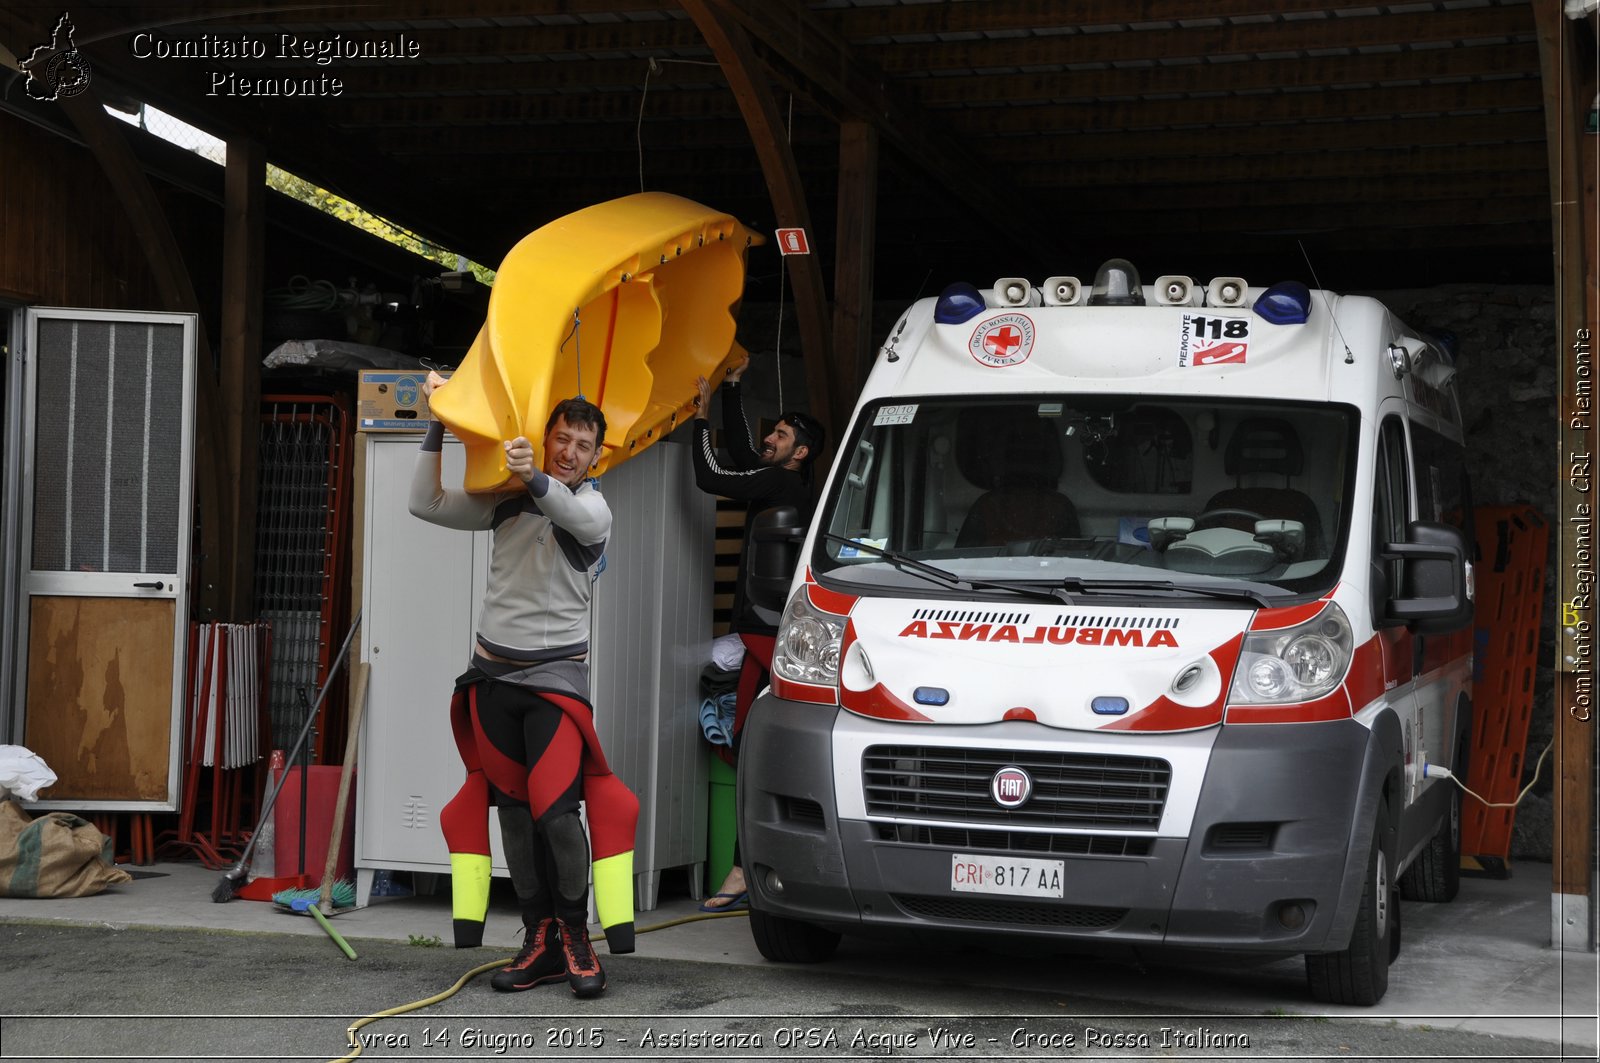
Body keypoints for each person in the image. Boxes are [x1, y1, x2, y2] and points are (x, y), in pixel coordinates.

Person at [410, 371, 639, 999]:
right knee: (513, 816)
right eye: (559, 438)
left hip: (556, 683)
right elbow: (423, 504)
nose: (568, 451)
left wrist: (536, 474)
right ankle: (537, 938)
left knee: (559, 815)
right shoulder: (509, 498)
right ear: (548, 436)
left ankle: (575, 937)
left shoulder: (594, 509)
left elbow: (563, 506)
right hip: (491, 677)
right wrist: (440, 418)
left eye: (581, 445)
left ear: (598, 456)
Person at [690, 354, 825, 911]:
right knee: (752, 748)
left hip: (763, 635)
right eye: (773, 429)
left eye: (782, 434)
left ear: (801, 454)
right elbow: (746, 458)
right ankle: (751, 867)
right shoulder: (785, 485)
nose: (771, 438)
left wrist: (701, 420)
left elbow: (713, 475)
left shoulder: (779, 485)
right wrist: (733, 388)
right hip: (766, 634)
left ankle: (746, 870)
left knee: (750, 750)